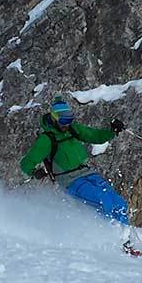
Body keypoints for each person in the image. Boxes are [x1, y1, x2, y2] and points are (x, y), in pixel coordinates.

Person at [18, 96, 130, 224]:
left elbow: (95, 136)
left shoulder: (73, 129)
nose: (67, 125)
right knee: (104, 202)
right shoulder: (47, 139)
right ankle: (113, 237)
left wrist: (112, 131)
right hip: (71, 181)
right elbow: (26, 163)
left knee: (119, 203)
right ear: (55, 119)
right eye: (63, 121)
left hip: (88, 173)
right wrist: (34, 172)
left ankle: (126, 238)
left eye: (69, 120)